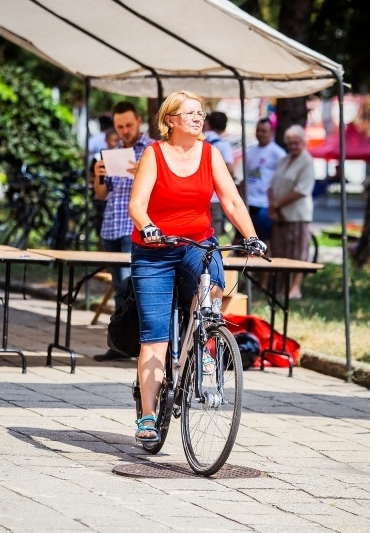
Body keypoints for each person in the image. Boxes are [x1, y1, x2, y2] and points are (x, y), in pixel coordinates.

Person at [127, 90, 266, 443]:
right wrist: (149, 227)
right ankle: (147, 416)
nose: (198, 117)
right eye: (190, 113)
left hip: (196, 243)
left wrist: (251, 236)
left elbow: (231, 200)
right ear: (170, 120)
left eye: (200, 112)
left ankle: (200, 343)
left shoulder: (210, 154)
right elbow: (137, 205)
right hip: (154, 251)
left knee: (213, 285)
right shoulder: (154, 154)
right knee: (155, 337)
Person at [92, 102, 154, 362]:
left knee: (133, 287)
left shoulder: (152, 150)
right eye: (120, 127)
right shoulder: (114, 152)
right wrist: (97, 175)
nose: (125, 130)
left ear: (139, 121)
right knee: (120, 287)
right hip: (112, 226)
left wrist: (143, 171)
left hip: (135, 227)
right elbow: (101, 194)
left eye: (128, 125)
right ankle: (120, 344)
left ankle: (140, 343)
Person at [268, 125, 315, 300]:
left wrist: (277, 204)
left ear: (303, 142)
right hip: (280, 215)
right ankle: (282, 286)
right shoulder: (284, 160)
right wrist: (273, 206)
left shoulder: (307, 161)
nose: (293, 146)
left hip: (298, 215)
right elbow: (272, 185)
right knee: (281, 252)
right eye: (290, 143)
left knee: (298, 253)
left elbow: (301, 190)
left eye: (296, 143)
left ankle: (295, 288)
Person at [243, 118, 286, 242]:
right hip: (248, 203)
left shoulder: (278, 153)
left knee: (263, 242)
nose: (260, 134)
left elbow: (283, 180)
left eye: (264, 131)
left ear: (271, 132)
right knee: (242, 242)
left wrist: (275, 204)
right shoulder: (251, 151)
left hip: (264, 205)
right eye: (258, 130)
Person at [202, 111, 235, 236]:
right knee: (213, 233)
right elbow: (230, 169)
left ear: (208, 123)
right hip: (215, 196)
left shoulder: (197, 142)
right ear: (224, 127)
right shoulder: (222, 145)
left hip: (198, 194)